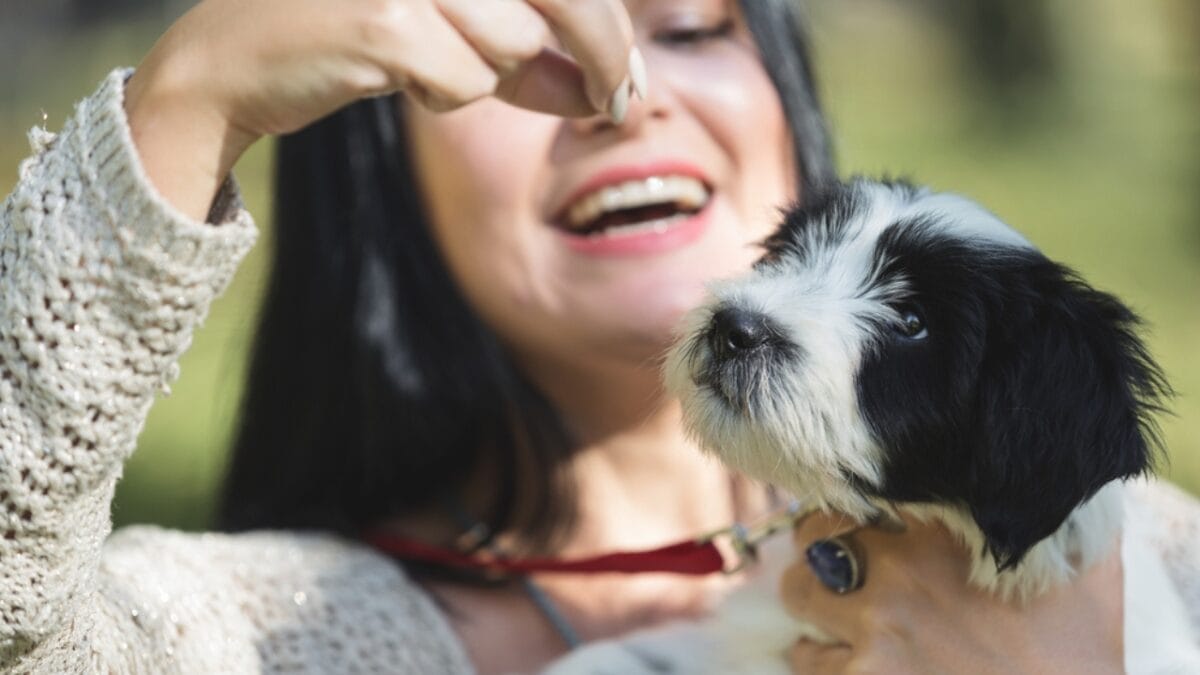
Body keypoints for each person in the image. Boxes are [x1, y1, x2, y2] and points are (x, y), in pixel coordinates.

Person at [1, 0, 1197, 672]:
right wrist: (189, 100)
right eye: (517, 58)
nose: (624, 99)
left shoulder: (1169, 556)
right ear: (370, 148)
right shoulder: (274, 637)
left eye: (686, 28)